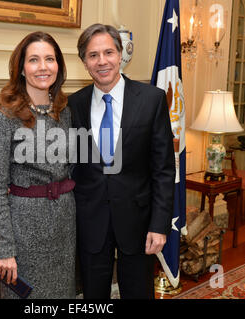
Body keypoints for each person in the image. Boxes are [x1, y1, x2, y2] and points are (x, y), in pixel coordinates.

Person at [68, 24, 175, 299]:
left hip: (139, 223)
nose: (102, 61)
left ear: (121, 55)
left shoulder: (152, 99)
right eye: (93, 55)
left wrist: (159, 224)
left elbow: (163, 169)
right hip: (90, 222)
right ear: (84, 62)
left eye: (108, 52)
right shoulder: (73, 105)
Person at [0, 31, 76, 299]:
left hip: (64, 225)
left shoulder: (64, 110)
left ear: (58, 66)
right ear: (22, 68)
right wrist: (4, 250)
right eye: (34, 60)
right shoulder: (3, 117)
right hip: (23, 231)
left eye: (50, 59)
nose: (43, 67)